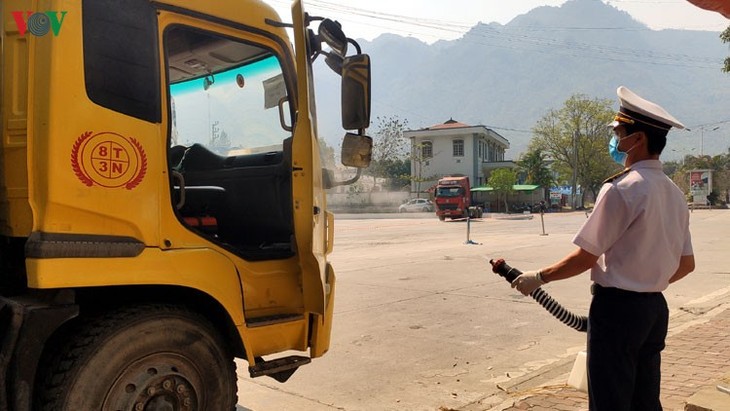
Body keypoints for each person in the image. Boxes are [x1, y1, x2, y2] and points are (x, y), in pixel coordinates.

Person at [511, 86, 695, 411]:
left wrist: (538, 277)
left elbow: (585, 256)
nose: (614, 139)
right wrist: (648, 282)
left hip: (618, 312)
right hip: (655, 310)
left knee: (610, 401)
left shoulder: (623, 190)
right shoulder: (674, 194)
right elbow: (686, 264)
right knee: (645, 400)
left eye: (618, 132)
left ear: (637, 139)